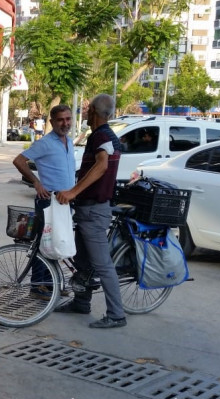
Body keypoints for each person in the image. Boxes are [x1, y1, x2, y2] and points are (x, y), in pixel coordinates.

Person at [56, 94, 126, 329]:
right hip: (89, 210)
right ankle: (81, 303)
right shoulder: (106, 136)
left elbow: (102, 164)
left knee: (102, 264)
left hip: (95, 211)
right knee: (82, 261)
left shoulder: (101, 135)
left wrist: (74, 191)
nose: (84, 113)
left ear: (94, 112)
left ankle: (116, 315)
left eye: (87, 110)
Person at [12, 104, 77, 300]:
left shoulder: (69, 141)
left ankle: (50, 284)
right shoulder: (45, 143)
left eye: (67, 119)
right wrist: (36, 183)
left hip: (65, 202)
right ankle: (37, 286)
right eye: (60, 120)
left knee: (56, 243)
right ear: (52, 122)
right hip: (48, 201)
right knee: (44, 244)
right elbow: (19, 161)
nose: (65, 123)